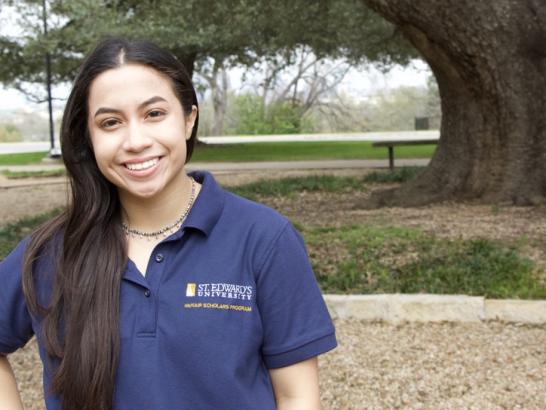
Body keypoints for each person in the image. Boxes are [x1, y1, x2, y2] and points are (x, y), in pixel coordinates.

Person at [0, 37, 337, 410]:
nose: (136, 141)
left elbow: (297, 396)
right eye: (111, 122)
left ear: (189, 119)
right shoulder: (50, 252)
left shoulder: (264, 238)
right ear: (88, 136)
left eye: (154, 114)